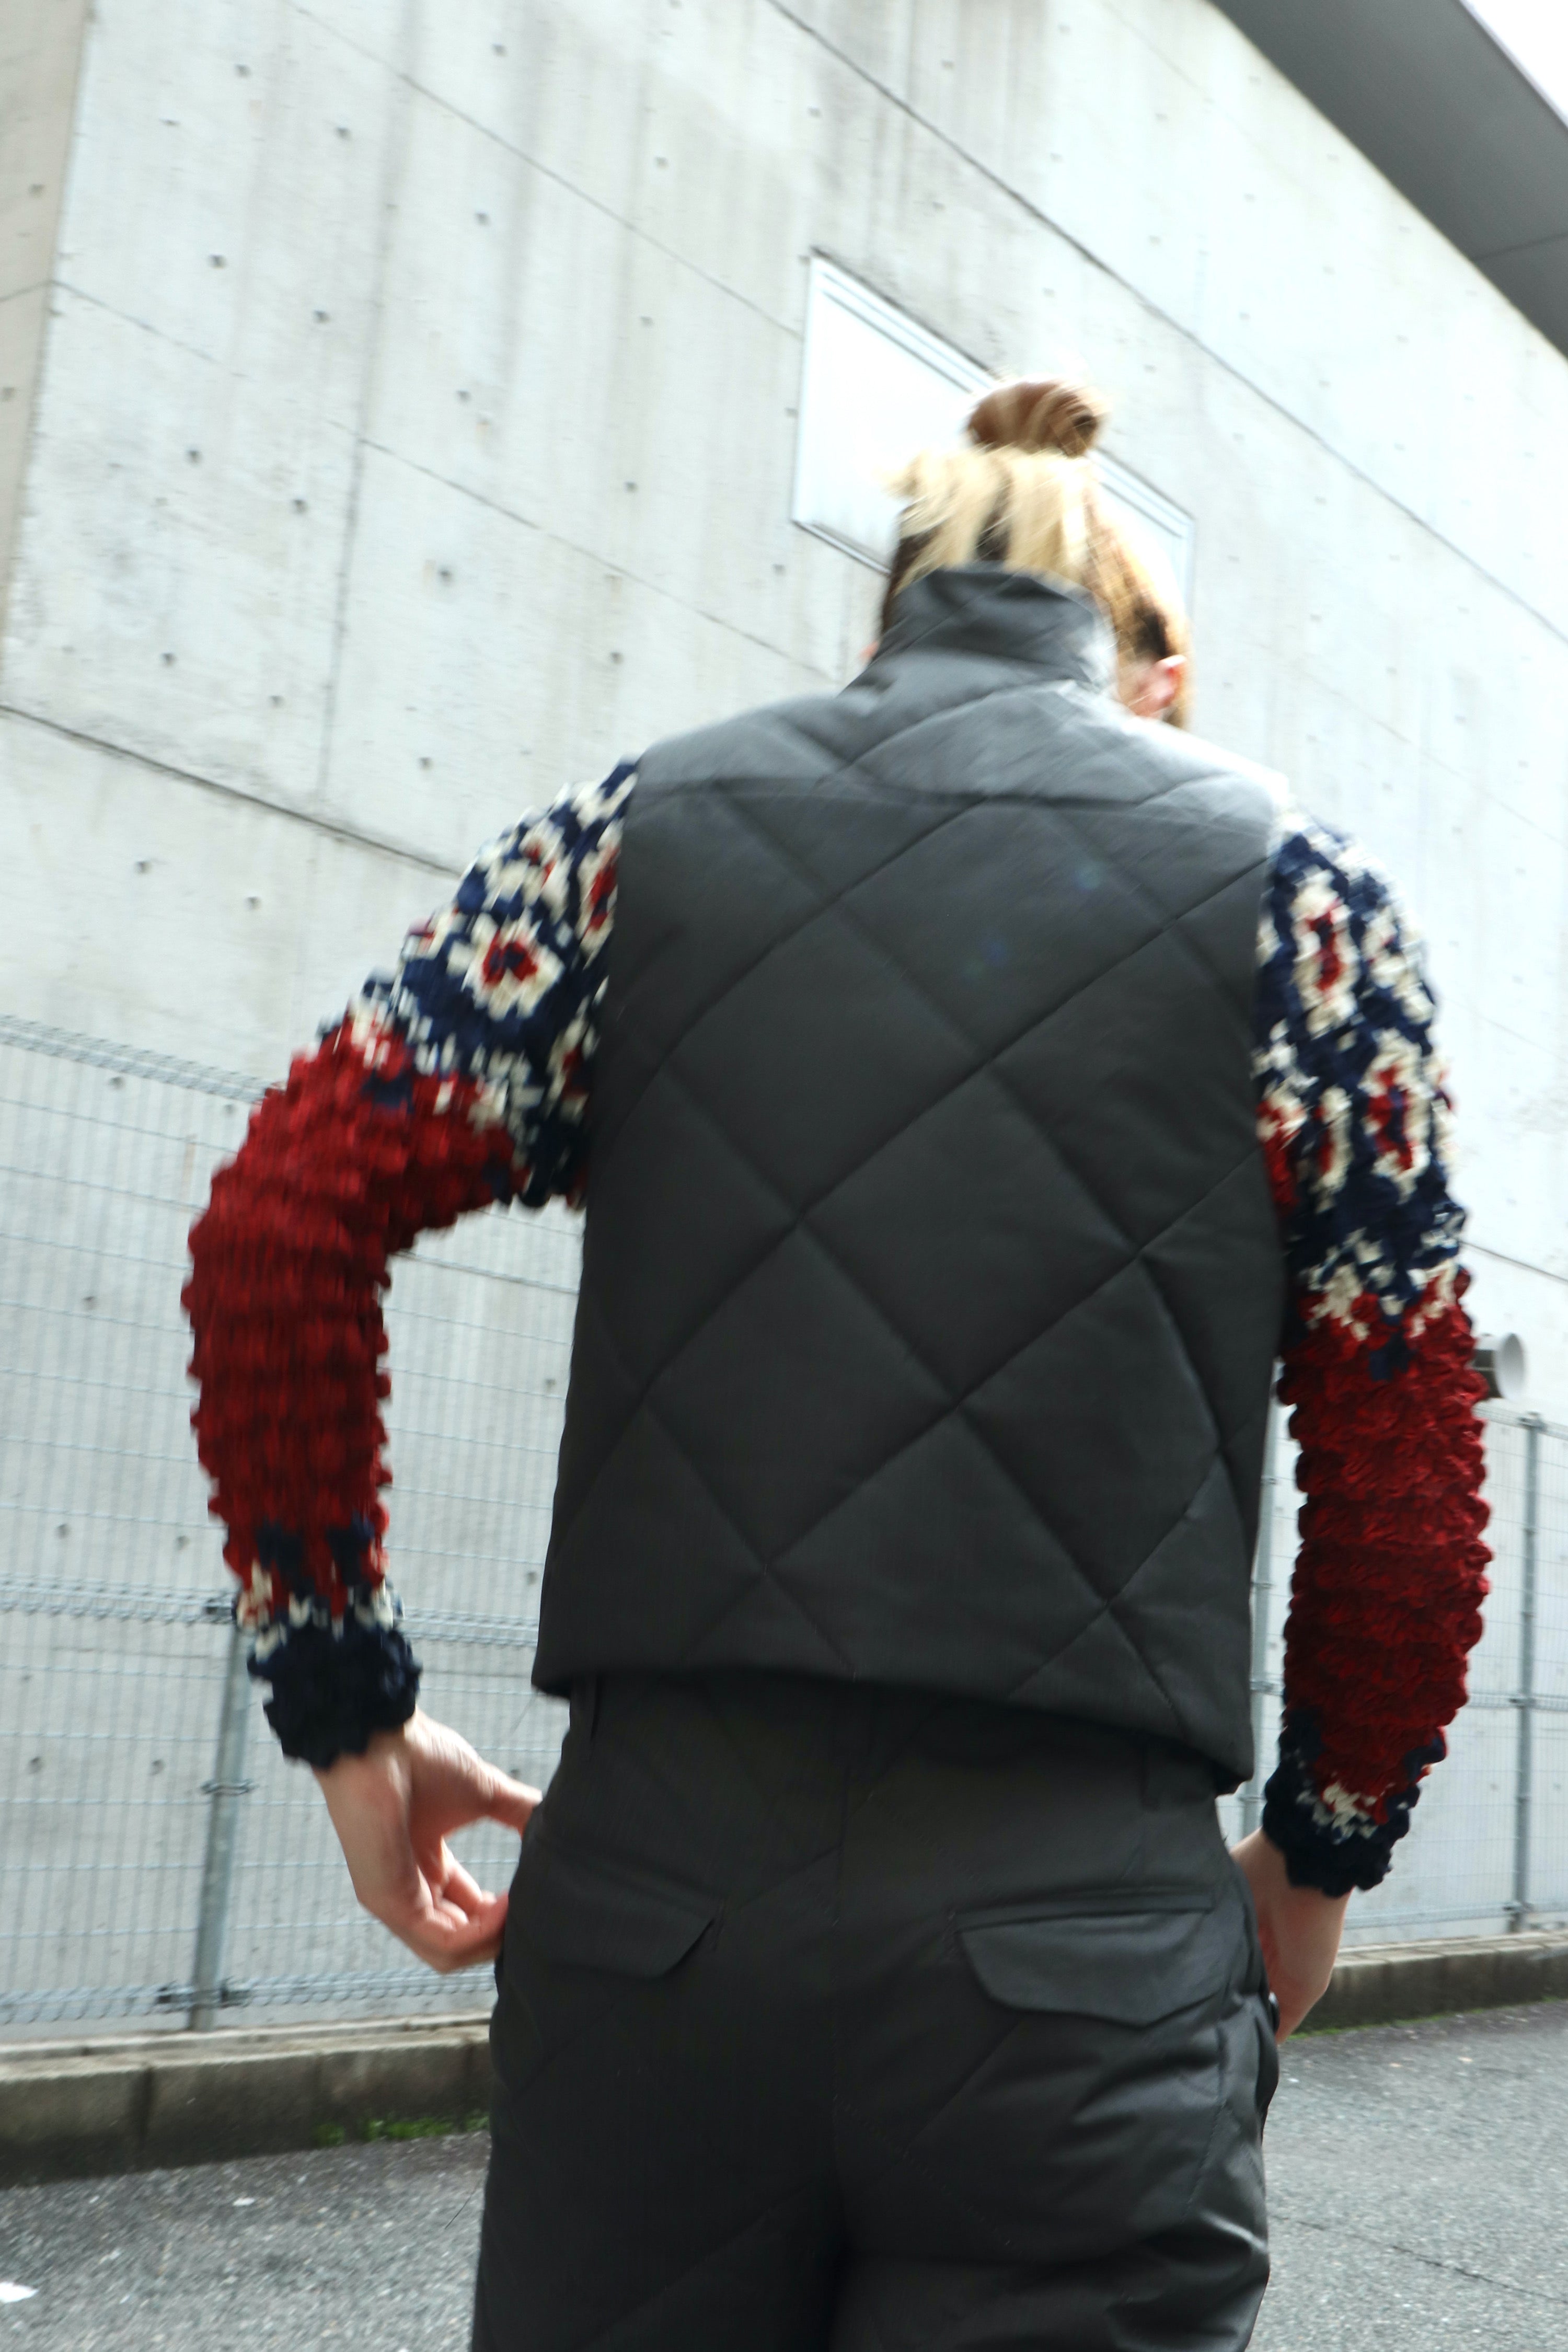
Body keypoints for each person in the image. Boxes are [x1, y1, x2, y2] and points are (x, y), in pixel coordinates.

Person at [183, 375, 1490, 2350]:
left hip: (650, 1936)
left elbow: (279, 1224)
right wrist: (1320, 1851)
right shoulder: (1308, 906)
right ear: (1139, 655)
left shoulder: (634, 845)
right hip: (1080, 1965)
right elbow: (1411, 1466)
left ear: (883, 616)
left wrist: (350, 1715)